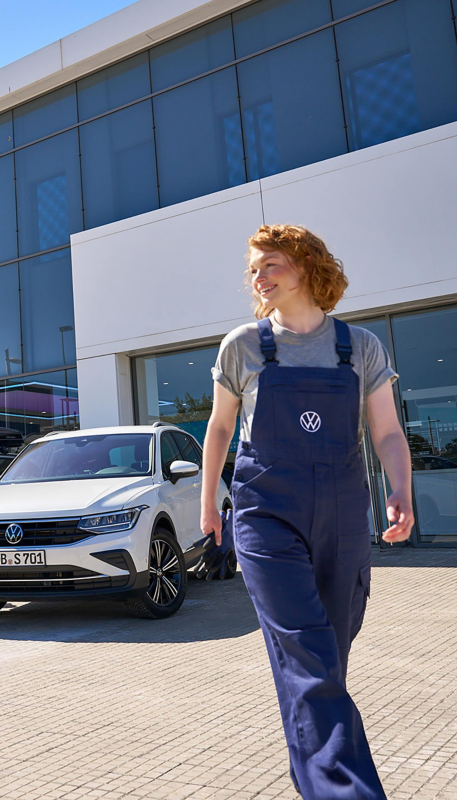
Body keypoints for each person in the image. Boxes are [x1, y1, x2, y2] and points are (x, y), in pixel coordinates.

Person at [200, 225, 414, 800]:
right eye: (253, 269)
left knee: (326, 659)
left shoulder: (359, 347)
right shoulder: (244, 345)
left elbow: (388, 432)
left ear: (306, 265)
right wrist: (209, 505)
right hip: (267, 515)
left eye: (270, 264)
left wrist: (400, 489)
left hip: (343, 514)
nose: (259, 277)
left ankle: (312, 778)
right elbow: (220, 428)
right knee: (310, 654)